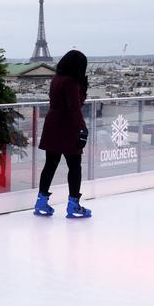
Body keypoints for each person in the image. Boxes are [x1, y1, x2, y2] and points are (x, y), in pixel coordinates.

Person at [35, 49, 92, 219]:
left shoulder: (56, 79)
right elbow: (74, 108)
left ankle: (41, 202)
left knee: (50, 165)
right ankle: (73, 205)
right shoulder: (72, 82)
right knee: (74, 167)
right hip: (68, 127)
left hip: (52, 124)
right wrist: (82, 129)